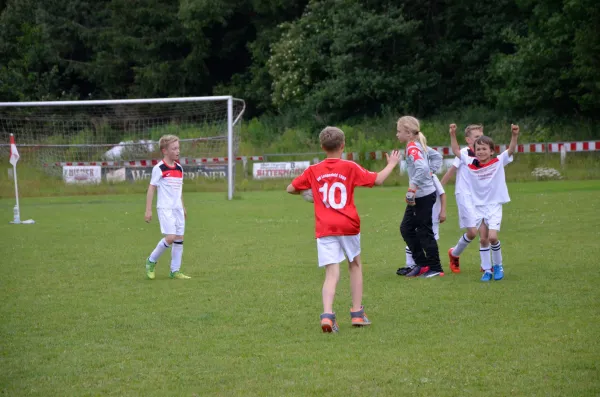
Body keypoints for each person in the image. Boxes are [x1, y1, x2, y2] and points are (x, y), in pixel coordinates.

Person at [286, 126, 401, 333]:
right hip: (348, 224)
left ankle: (328, 316)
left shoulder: (313, 170)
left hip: (325, 226)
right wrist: (392, 164)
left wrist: (310, 192)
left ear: (322, 146)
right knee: (354, 265)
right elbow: (378, 179)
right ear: (343, 145)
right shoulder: (349, 166)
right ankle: (357, 314)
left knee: (332, 273)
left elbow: (291, 188)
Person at [449, 124, 520, 281]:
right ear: (474, 150)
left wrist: (514, 136)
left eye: (484, 149)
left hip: (494, 205)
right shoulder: (471, 161)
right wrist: (453, 134)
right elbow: (455, 151)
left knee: (493, 237)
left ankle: (498, 266)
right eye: (478, 149)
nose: (481, 152)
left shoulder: (498, 161)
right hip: (477, 206)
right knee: (482, 239)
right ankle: (487, 270)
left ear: (492, 151)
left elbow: (511, 150)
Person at [396, 116, 444, 278]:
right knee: (407, 228)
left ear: (408, 133)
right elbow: (437, 157)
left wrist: (413, 187)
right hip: (422, 195)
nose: (397, 135)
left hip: (422, 196)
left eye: (399, 131)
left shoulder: (412, 147)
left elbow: (422, 168)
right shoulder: (418, 145)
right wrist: (431, 172)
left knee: (424, 231)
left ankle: (435, 268)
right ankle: (422, 264)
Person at [441, 124, 490, 273]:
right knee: (472, 232)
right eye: (476, 137)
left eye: (481, 136)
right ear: (468, 140)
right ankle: (454, 253)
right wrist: (438, 189)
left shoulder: (484, 154)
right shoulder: (464, 153)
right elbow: (451, 171)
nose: (480, 140)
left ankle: (486, 266)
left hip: (480, 197)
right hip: (464, 195)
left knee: (484, 234)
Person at [144, 135, 190, 280]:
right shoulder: (159, 168)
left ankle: (174, 271)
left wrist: (183, 207)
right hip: (165, 208)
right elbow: (151, 188)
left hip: (177, 209)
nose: (178, 151)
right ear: (165, 151)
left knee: (179, 238)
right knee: (170, 237)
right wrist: (148, 209)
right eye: (174, 148)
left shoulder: (179, 168)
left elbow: (179, 190)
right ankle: (151, 261)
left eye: (178, 148)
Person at [398, 173, 446, 275]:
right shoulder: (414, 173)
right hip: (417, 208)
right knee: (408, 230)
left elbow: (442, 193)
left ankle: (434, 267)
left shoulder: (431, 176)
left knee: (427, 236)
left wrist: (443, 211)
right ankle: (418, 265)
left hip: (432, 214)